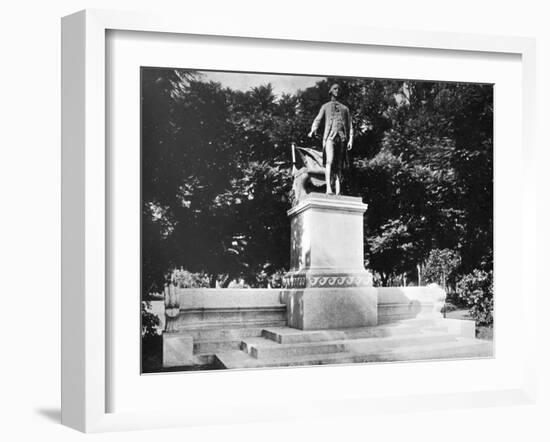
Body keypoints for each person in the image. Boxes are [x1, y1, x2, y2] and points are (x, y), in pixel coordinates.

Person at [308, 83, 353, 195]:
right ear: (331, 91)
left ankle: (338, 191)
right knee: (330, 161)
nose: (337, 90)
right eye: (335, 89)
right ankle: (328, 188)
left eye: (339, 89)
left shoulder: (345, 109)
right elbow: (318, 119)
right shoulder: (325, 106)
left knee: (339, 165)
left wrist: (351, 139)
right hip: (330, 137)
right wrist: (313, 129)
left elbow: (350, 125)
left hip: (342, 138)